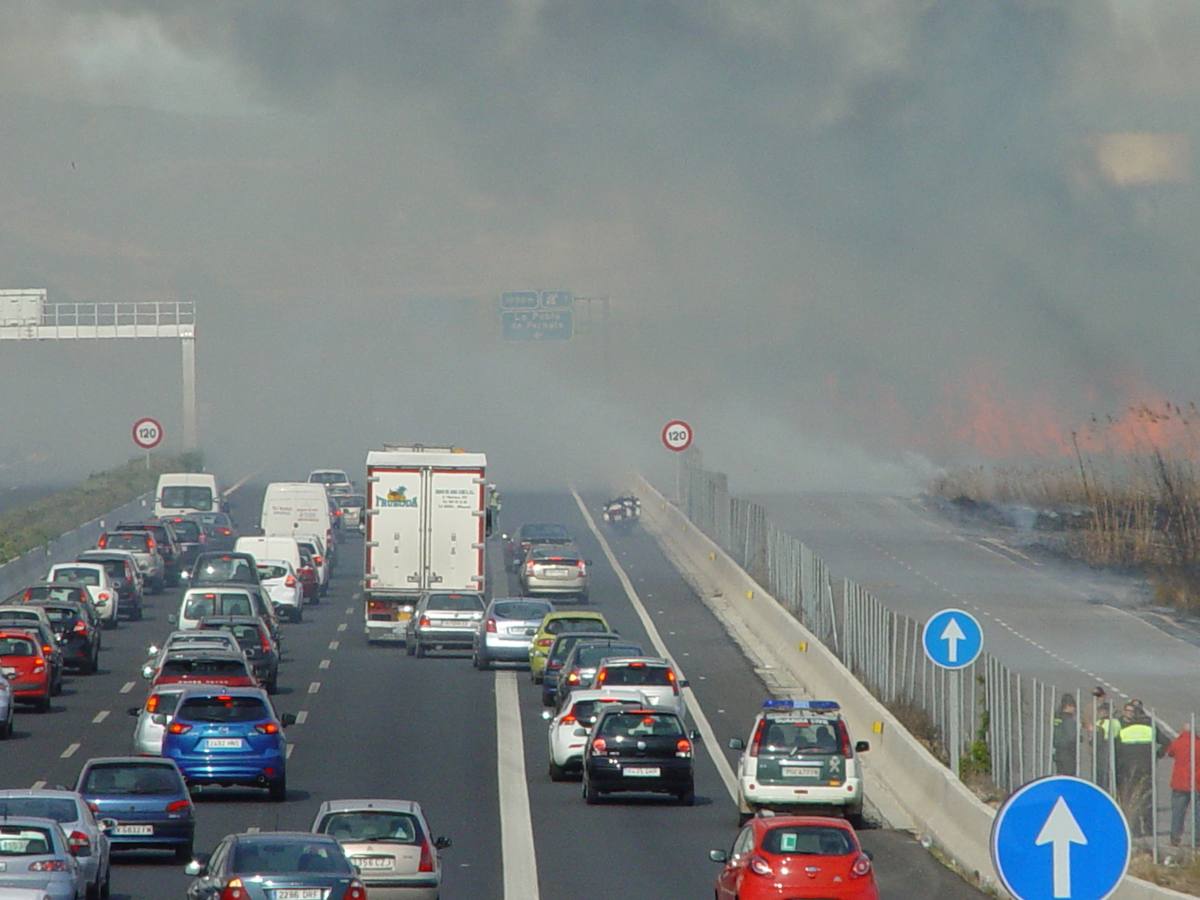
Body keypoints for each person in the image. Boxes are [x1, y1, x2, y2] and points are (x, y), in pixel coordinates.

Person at [1164, 726, 1200, 846]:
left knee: (1178, 812)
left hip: (1179, 783)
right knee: (1197, 813)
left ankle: (1175, 837)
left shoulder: (1178, 742)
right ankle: (1197, 839)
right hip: (1196, 783)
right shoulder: (1198, 744)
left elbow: (1170, 752)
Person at [1053, 694, 1079, 775]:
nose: (1074, 709)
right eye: (1073, 707)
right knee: (1069, 776)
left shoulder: (1057, 717)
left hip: (1058, 751)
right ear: (1068, 706)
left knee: (1060, 774)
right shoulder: (1069, 720)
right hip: (1068, 753)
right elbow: (1072, 737)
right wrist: (1079, 738)